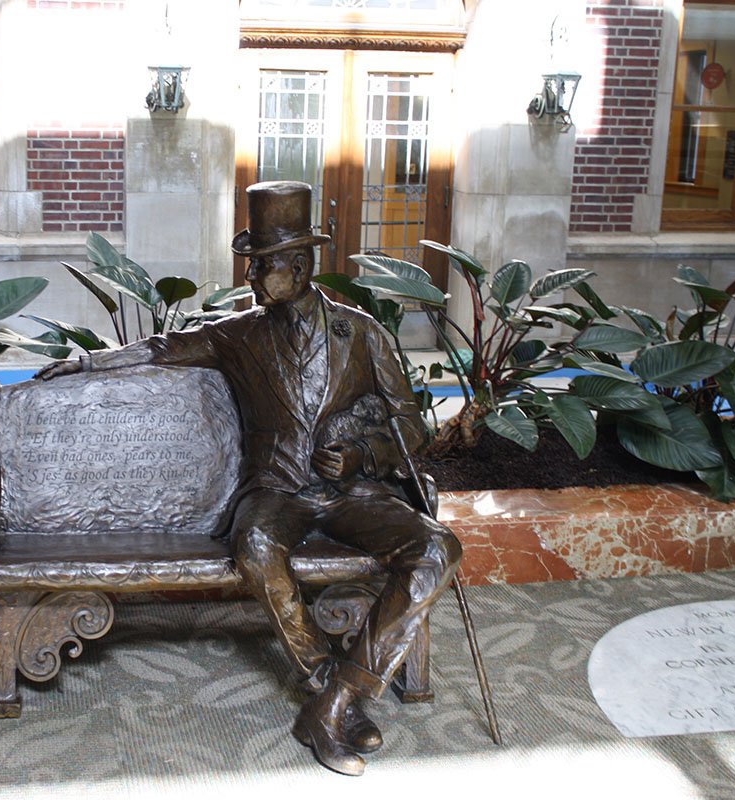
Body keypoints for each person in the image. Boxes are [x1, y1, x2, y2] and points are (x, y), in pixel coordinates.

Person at [37, 180, 461, 776]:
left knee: (437, 547)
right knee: (257, 544)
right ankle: (329, 686)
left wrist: (364, 454)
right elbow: (162, 349)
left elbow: (413, 430)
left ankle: (336, 701)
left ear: (301, 264)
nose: (254, 278)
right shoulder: (240, 333)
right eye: (253, 265)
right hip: (275, 494)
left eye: (264, 266)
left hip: (350, 495)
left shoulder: (362, 333)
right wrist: (85, 362)